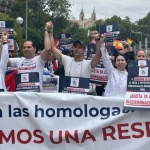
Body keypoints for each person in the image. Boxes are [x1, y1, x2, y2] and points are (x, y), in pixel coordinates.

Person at [7, 22, 52, 90]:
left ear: (34, 49)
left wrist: (46, 31)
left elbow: (48, 49)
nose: (26, 49)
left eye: (28, 47)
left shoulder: (39, 59)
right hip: (21, 96)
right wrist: (3, 41)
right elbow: (3, 60)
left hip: (35, 96)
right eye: (24, 47)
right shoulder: (18, 60)